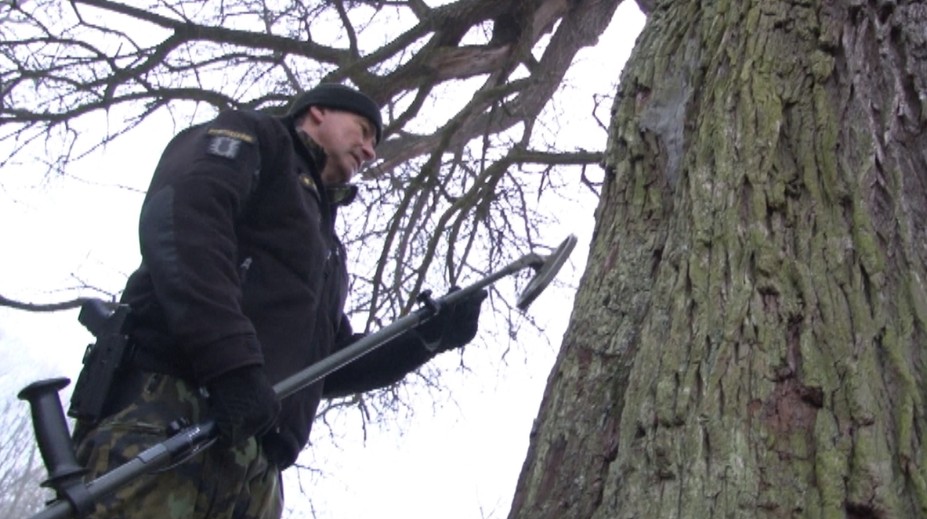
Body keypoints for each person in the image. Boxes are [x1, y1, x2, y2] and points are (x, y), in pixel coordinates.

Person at [71, 83, 487, 518]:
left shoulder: (328, 249)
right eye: (363, 131)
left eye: (374, 144)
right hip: (170, 414)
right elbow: (183, 219)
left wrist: (422, 339)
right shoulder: (256, 138)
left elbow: (326, 361)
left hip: (256, 465)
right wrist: (233, 366)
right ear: (318, 111)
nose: (369, 150)